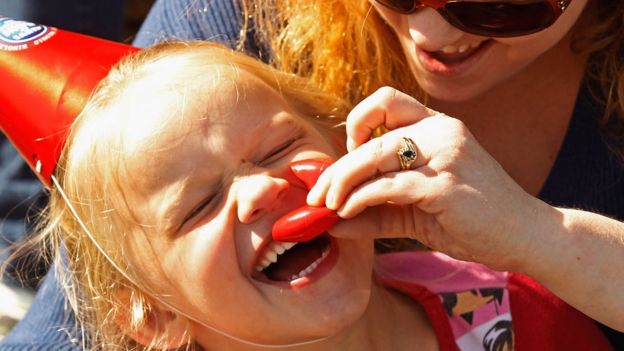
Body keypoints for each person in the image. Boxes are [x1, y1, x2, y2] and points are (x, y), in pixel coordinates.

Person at [8, 40, 613, 350]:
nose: (264, 187)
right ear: (153, 314)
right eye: (198, 205)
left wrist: (535, 233)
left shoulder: (510, 313)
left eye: (277, 148)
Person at [141, 0, 624, 345]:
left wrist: (539, 235)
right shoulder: (235, 15)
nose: (431, 37)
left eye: (496, 4)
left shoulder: (521, 319)